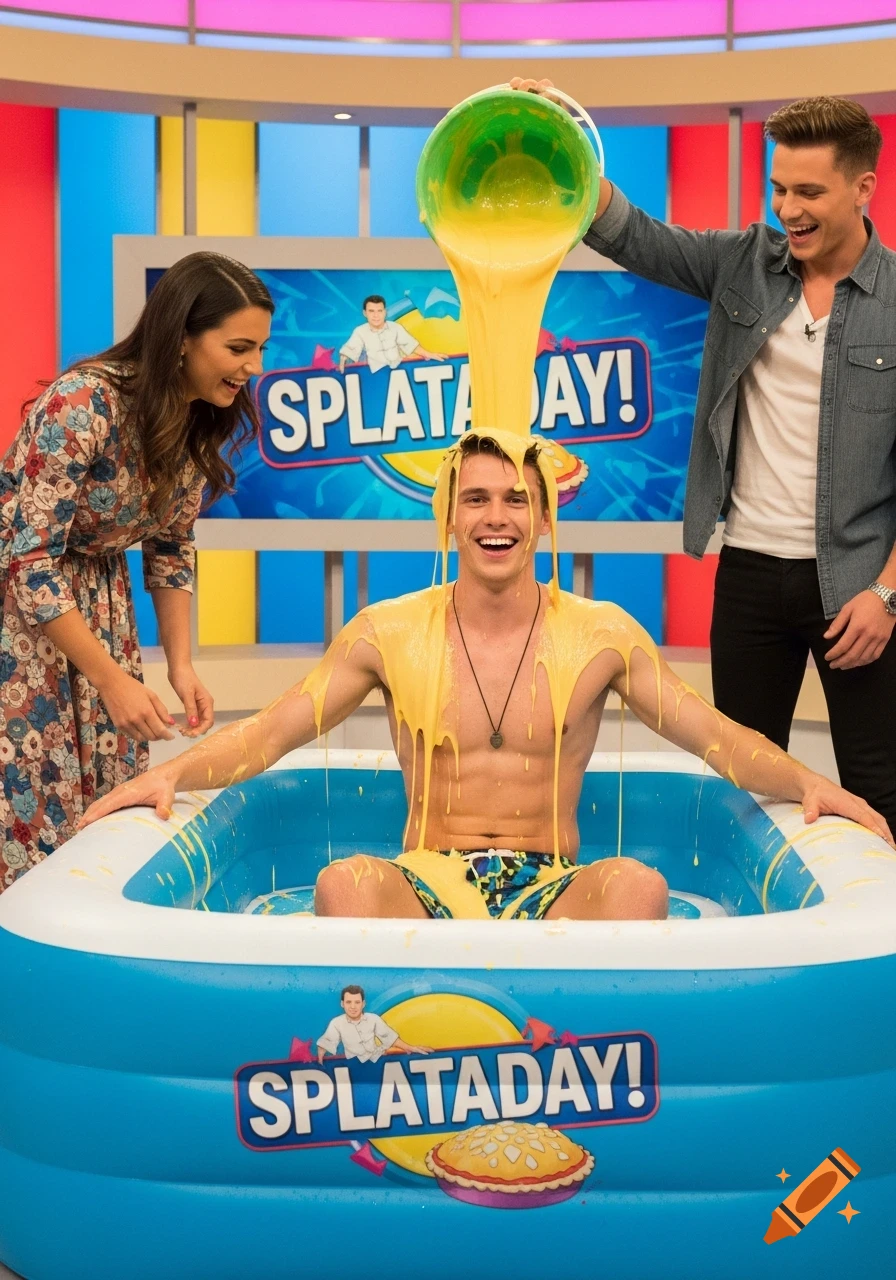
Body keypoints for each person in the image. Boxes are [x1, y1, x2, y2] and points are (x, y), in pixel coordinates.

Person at [81, 433, 893, 921]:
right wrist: (169, 776)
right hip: (425, 879)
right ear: (447, 517)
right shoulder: (387, 631)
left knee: (640, 889)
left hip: (552, 884)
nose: (495, 518)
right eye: (474, 500)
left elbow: (713, 736)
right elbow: (272, 731)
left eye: (514, 500)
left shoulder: (602, 634)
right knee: (342, 884)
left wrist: (812, 786)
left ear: (543, 517)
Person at [513, 81, 896, 842]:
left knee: (880, 785)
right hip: (749, 575)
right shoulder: (745, 263)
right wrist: (562, 137)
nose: (787, 210)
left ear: (863, 188)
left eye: (809, 192)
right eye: (779, 189)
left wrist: (888, 594)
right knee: (744, 786)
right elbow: (636, 237)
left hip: (861, 587)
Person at [0, 251, 273, 887]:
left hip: (100, 614)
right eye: (239, 348)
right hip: (22, 625)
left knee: (106, 813)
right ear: (181, 338)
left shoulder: (193, 417)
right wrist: (111, 680)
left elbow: (172, 547)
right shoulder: (82, 403)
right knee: (32, 815)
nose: (254, 367)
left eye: (260, 348)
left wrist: (180, 664)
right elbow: (28, 559)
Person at [317, 985, 431, 1063]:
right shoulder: (337, 1023)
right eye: (348, 1002)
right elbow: (325, 1043)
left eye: (357, 1002)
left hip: (377, 1060)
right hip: (354, 1064)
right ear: (342, 1004)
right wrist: (319, 1064)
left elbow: (390, 1038)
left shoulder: (373, 1019)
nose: (353, 1006)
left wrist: (410, 1048)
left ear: (363, 1004)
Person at [339, 295, 445, 374]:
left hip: (397, 372)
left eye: (379, 311)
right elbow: (350, 349)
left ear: (385, 312)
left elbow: (410, 345)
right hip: (375, 374)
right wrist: (344, 357)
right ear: (365, 313)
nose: (376, 315)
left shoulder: (395, 327)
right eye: (371, 311)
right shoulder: (360, 331)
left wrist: (428, 354)